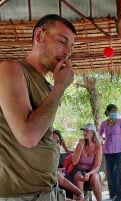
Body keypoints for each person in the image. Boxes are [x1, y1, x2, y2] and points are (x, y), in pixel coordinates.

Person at [0, 14, 75, 200]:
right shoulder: (11, 69)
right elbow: (28, 136)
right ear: (39, 35)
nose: (67, 52)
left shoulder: (45, 85)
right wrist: (59, 88)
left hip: (45, 190)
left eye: (71, 46)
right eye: (62, 41)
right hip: (20, 195)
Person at [99, 104, 121, 201]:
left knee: (120, 172)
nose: (114, 114)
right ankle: (113, 195)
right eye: (112, 112)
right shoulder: (104, 124)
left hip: (119, 150)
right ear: (107, 112)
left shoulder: (120, 122)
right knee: (111, 173)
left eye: (116, 112)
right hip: (108, 151)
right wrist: (101, 141)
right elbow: (98, 135)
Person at [72, 123, 103, 201]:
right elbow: (74, 162)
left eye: (87, 131)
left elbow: (97, 166)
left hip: (93, 171)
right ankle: (81, 199)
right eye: (84, 131)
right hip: (79, 170)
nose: (84, 133)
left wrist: (89, 173)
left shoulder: (98, 146)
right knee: (79, 177)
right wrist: (79, 148)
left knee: (94, 178)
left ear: (92, 133)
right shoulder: (80, 144)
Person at [53, 131, 85, 201]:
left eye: (58, 142)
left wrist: (80, 194)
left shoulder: (52, 161)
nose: (56, 145)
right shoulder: (42, 162)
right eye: (52, 142)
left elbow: (62, 180)